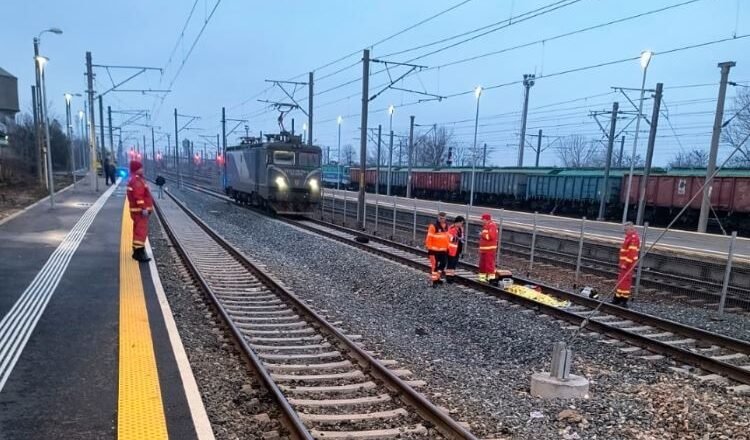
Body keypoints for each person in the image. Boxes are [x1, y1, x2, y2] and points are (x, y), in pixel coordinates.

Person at [126, 160, 154, 262]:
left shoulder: (136, 179)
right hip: (140, 211)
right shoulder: (137, 181)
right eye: (140, 168)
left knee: (138, 230)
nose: (142, 169)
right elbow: (139, 196)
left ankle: (137, 250)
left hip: (137, 210)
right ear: (136, 169)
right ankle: (139, 253)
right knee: (141, 231)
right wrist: (143, 208)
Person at [614, 222, 641, 307]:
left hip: (628, 265)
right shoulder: (629, 237)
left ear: (631, 229)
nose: (624, 232)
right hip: (624, 264)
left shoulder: (633, 239)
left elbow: (632, 254)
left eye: (626, 230)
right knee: (621, 281)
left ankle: (624, 300)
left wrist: (625, 264)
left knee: (625, 282)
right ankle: (618, 298)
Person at [424, 212, 449, 287]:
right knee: (434, 266)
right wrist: (429, 247)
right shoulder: (433, 226)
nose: (441, 219)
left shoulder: (447, 226)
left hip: (443, 250)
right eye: (440, 218)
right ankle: (434, 281)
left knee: (443, 264)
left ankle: (437, 277)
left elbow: (447, 238)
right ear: (438, 218)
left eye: (443, 218)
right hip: (434, 250)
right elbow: (429, 238)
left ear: (445, 218)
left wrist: (448, 248)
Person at [478, 213, 499, 283]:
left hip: (489, 249)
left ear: (486, 219)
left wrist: (482, 234)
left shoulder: (492, 225)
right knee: (482, 264)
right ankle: (482, 278)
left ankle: (491, 279)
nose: (482, 221)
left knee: (489, 264)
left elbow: (491, 236)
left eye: (483, 219)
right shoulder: (486, 226)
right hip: (484, 249)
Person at [445, 216, 465, 283]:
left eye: (462, 223)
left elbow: (461, 237)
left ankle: (451, 276)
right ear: (457, 222)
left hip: (457, 249)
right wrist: (457, 238)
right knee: (450, 263)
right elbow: (449, 237)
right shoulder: (452, 228)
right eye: (461, 223)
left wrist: (460, 239)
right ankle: (448, 277)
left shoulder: (461, 229)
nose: (462, 224)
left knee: (454, 263)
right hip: (452, 249)